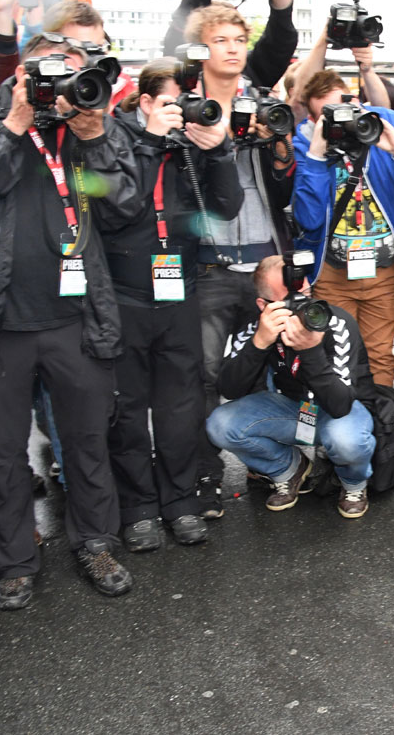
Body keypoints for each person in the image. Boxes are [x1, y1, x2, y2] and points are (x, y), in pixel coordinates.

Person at [0, 34, 140, 609]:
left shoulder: (87, 114)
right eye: (52, 72)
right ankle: (14, 562)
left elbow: (125, 205)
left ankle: (97, 542)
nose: (64, 85)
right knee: (1, 451)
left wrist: (95, 136)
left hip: (76, 317)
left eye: (74, 74)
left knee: (85, 439)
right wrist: (15, 122)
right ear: (25, 70)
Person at [162, 0, 298, 518]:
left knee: (276, 361)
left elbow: (283, 38)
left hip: (266, 256)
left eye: (238, 38)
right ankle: (205, 478)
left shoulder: (260, 97)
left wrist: (279, 146)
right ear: (202, 49)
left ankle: (274, 465)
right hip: (212, 265)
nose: (233, 47)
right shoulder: (187, 102)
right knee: (206, 375)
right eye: (220, 39)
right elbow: (172, 37)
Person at [104, 59, 244, 551]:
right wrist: (149, 143)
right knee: (126, 410)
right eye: (170, 103)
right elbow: (117, 210)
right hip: (125, 294)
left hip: (180, 287)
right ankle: (138, 507)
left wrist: (220, 149)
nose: (181, 113)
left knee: (180, 406)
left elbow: (227, 208)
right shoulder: (115, 139)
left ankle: (180, 500)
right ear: (145, 103)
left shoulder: (192, 142)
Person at [291, 69, 394, 386]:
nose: (343, 121)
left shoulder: (387, 124)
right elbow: (307, 219)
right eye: (330, 116)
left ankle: (382, 430)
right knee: (336, 359)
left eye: (347, 108)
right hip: (331, 274)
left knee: (379, 358)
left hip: (382, 272)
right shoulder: (305, 143)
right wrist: (317, 154)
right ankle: (345, 432)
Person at [206, 255, 378, 518]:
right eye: (289, 301)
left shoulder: (335, 321)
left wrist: (310, 351)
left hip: (340, 412)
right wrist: (259, 343)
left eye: (305, 294)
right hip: (293, 408)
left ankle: (353, 483)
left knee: (346, 440)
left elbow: (341, 405)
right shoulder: (256, 325)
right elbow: (230, 389)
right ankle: (288, 469)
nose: (302, 306)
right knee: (220, 424)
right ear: (263, 305)